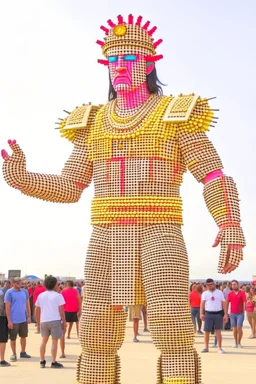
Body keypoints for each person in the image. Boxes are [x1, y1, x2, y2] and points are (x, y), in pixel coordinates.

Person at [1, 13, 246, 383]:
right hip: (105, 234)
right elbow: (69, 185)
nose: (120, 67)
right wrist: (22, 178)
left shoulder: (176, 114)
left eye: (129, 59)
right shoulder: (92, 121)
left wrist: (229, 222)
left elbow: (212, 174)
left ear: (148, 63)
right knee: (97, 328)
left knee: (170, 325)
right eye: (113, 60)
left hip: (160, 230)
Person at [35, 276, 66, 368]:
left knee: (43, 341)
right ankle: (53, 361)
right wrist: (64, 322)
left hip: (44, 320)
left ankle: (42, 361)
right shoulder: (58, 296)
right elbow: (61, 311)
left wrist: (38, 321)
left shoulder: (41, 295)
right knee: (54, 342)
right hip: (55, 320)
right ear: (55, 284)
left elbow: (37, 310)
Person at [4, 277, 31, 362]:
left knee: (23, 336)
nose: (21, 285)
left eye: (22, 283)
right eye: (19, 283)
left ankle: (23, 352)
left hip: (23, 319)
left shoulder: (25, 292)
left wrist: (29, 316)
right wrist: (9, 321)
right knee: (13, 338)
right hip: (13, 320)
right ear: (14, 283)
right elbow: (7, 307)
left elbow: (27, 305)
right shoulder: (9, 293)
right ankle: (14, 353)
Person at [200, 278, 227, 354]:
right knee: (206, 331)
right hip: (208, 313)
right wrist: (201, 314)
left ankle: (220, 347)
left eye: (211, 284)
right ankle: (206, 347)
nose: (210, 286)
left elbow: (223, 303)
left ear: (214, 284)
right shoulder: (204, 294)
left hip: (218, 313)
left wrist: (225, 314)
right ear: (206, 285)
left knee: (218, 331)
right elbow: (202, 304)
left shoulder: (220, 293)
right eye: (208, 285)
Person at [226, 279, 246, 348]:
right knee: (234, 328)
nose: (233, 286)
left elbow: (244, 302)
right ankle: (235, 342)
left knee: (239, 328)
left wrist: (244, 311)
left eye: (234, 284)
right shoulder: (230, 294)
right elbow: (227, 303)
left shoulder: (242, 293)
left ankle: (239, 342)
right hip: (232, 313)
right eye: (232, 284)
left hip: (240, 313)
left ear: (238, 285)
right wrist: (226, 313)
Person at [0, 280, 11, 366]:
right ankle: (2, 359)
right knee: (2, 339)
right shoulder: (3, 293)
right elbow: (6, 307)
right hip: (2, 317)